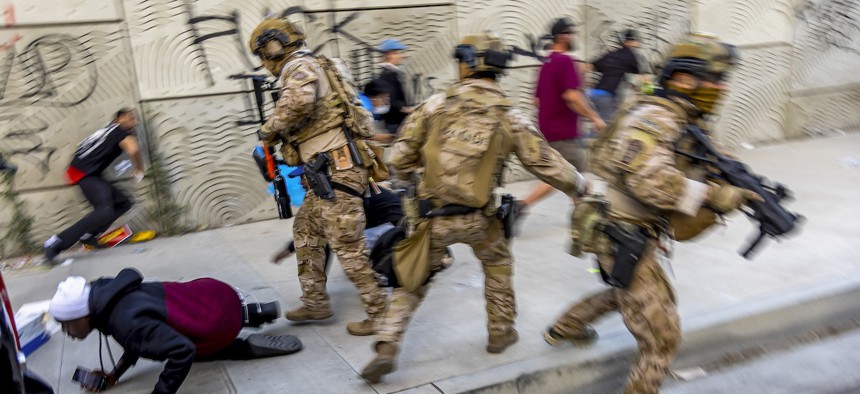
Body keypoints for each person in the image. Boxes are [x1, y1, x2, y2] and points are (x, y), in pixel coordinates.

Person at [359, 32, 588, 383]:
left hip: (430, 216)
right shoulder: (509, 116)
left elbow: (400, 158)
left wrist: (411, 178)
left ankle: (388, 343)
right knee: (497, 264)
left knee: (412, 278)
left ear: (467, 64)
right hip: (481, 218)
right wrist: (579, 186)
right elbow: (546, 163)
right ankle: (500, 332)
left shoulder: (435, 106)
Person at [544, 33, 762, 394]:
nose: (719, 87)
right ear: (683, 78)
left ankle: (564, 329)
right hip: (618, 230)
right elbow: (650, 182)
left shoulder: (679, 115)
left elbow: (688, 158)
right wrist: (713, 194)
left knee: (629, 292)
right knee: (662, 337)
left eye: (723, 79)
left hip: (631, 228)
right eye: (714, 78)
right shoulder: (656, 117)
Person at [249, 17, 386, 336]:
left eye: (261, 54)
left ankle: (380, 311)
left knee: (347, 244)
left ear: (273, 47)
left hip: (337, 170)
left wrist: (268, 130)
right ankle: (315, 300)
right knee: (306, 229)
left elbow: (298, 102)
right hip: (326, 172)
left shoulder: (298, 68)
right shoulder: (317, 64)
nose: (261, 62)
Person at [49, 268, 300, 394]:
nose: (65, 331)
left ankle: (243, 348)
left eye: (66, 323)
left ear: (84, 315)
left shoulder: (124, 322)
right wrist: (114, 375)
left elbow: (182, 350)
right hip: (213, 293)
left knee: (182, 350)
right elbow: (136, 339)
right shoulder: (111, 297)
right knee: (179, 323)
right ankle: (257, 312)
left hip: (217, 320)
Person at [520, 18, 605, 209]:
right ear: (563, 36)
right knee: (576, 179)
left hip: (548, 129)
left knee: (572, 179)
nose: (574, 37)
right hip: (565, 132)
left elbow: (536, 100)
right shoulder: (566, 61)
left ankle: (583, 215)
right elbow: (572, 96)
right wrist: (594, 118)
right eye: (571, 33)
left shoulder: (545, 63)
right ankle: (521, 206)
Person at [43, 108, 144, 264]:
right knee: (104, 210)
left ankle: (89, 235)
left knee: (124, 203)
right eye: (130, 118)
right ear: (120, 119)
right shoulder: (118, 130)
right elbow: (134, 149)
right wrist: (139, 168)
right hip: (84, 174)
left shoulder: (106, 131)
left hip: (88, 173)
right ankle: (55, 243)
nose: (134, 122)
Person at [588, 29, 644, 122]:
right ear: (630, 42)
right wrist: (643, 92)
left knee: (598, 124)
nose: (637, 44)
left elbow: (589, 66)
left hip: (593, 93)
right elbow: (641, 77)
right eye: (636, 41)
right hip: (606, 97)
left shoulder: (612, 54)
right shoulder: (631, 56)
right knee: (605, 129)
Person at [376, 39, 413, 134]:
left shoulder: (390, 72)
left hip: (396, 121)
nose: (401, 56)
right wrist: (407, 109)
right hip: (395, 122)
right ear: (389, 55)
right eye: (397, 53)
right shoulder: (388, 74)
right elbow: (391, 99)